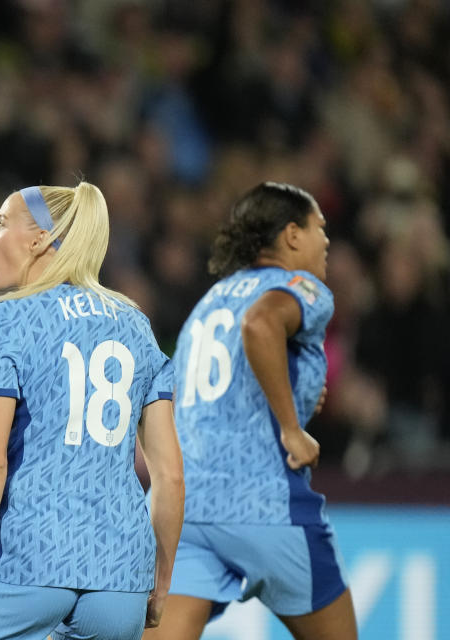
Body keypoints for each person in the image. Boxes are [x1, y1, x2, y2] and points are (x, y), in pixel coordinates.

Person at [0, 182, 185, 640]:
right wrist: (159, 585)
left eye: (0, 223)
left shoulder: (6, 318)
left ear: (40, 239)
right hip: (121, 577)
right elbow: (170, 476)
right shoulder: (136, 324)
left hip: (28, 559)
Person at [142, 182, 358, 640]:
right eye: (320, 228)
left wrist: (299, 391)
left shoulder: (209, 301)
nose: (327, 241)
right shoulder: (302, 286)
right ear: (293, 235)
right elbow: (260, 324)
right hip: (265, 503)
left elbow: (189, 393)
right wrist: (290, 427)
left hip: (187, 510)